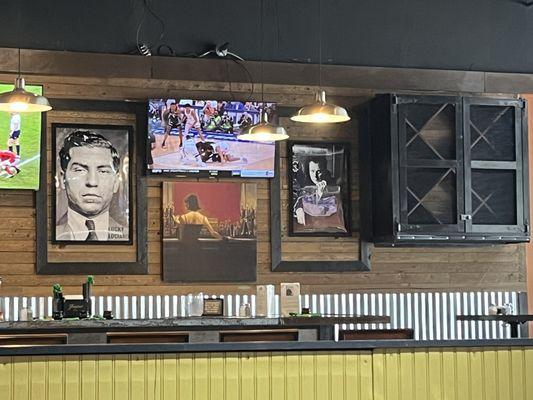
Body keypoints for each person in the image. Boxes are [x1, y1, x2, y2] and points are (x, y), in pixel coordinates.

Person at [56, 130, 128, 241]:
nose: (92, 182)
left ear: (116, 182)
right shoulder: (51, 235)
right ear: (62, 178)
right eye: (80, 170)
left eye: (103, 171)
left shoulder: (127, 235)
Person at [292, 155, 346, 233]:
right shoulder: (303, 189)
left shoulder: (333, 188)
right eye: (312, 171)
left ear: (324, 170)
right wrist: (298, 208)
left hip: (332, 230)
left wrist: (322, 194)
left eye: (319, 171)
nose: (315, 175)